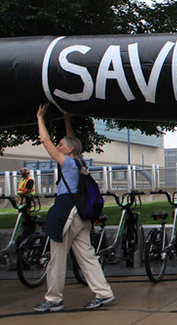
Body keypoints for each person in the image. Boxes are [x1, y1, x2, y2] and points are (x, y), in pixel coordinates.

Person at [34, 102, 114, 312]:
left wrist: (40, 117)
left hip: (67, 214)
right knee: (87, 257)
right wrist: (66, 120)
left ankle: (53, 299)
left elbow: (44, 140)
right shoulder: (79, 162)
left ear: (68, 149)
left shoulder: (68, 164)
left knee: (57, 258)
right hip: (81, 216)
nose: (57, 146)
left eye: (61, 144)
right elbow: (73, 142)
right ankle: (104, 293)